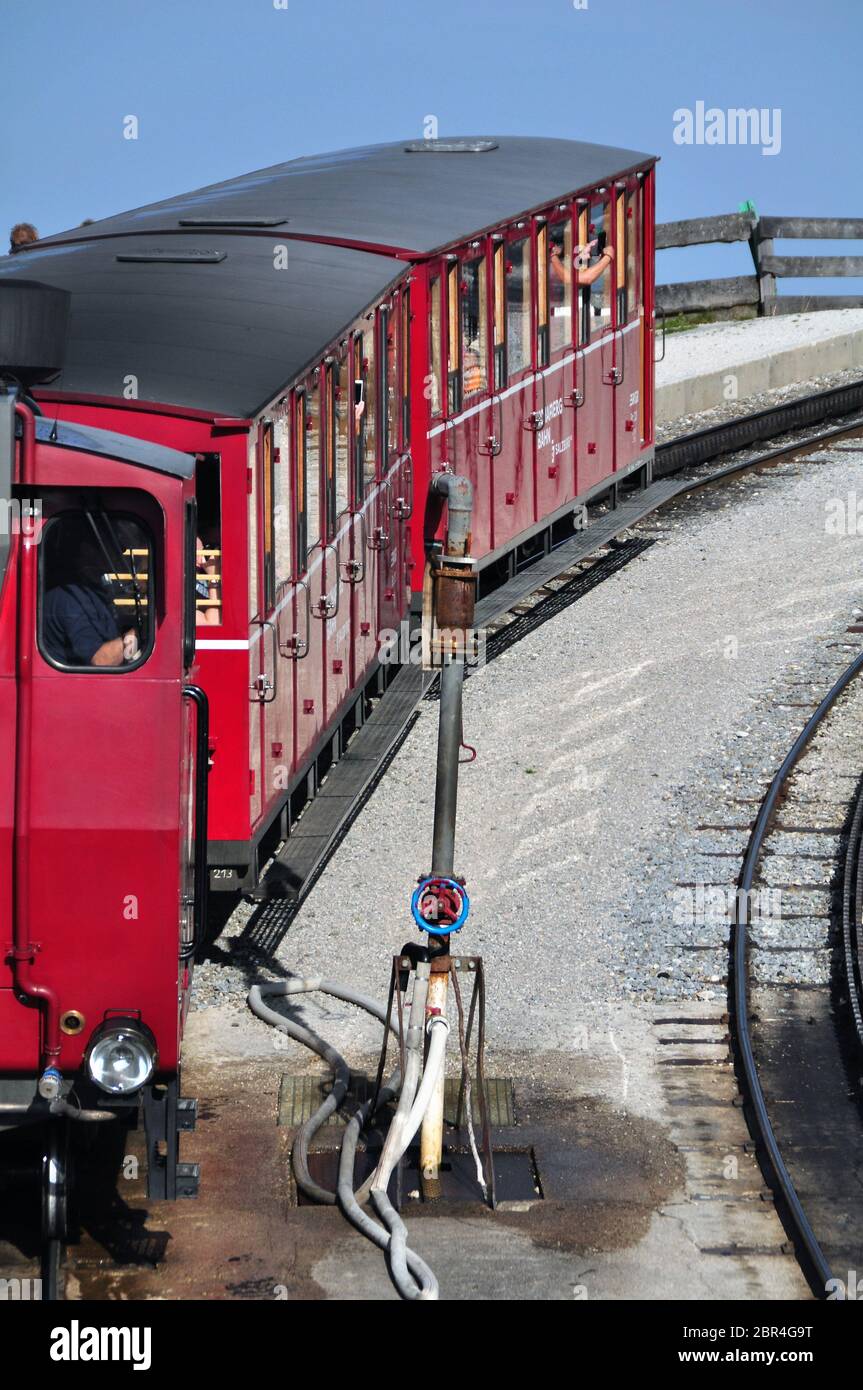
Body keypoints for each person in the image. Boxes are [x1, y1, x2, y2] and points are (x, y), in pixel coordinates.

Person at [42, 521, 140, 666]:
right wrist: (138, 634)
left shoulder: (94, 590)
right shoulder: (69, 598)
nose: (118, 555)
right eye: (112, 548)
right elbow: (100, 660)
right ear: (88, 550)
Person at [195, 534, 220, 625]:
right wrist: (213, 576)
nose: (205, 555)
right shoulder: (178, 588)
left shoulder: (200, 580)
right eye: (198, 552)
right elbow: (213, 622)